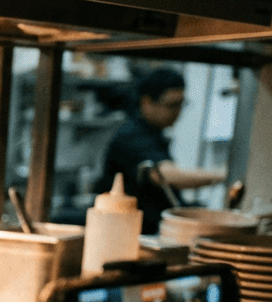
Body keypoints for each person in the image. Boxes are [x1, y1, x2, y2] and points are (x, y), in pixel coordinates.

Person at [96, 67, 227, 234]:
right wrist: (222, 174)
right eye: (171, 105)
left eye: (181, 104)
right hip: (129, 233)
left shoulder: (155, 134)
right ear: (146, 102)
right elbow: (164, 175)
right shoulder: (132, 135)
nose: (177, 112)